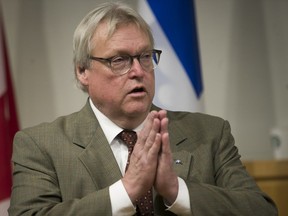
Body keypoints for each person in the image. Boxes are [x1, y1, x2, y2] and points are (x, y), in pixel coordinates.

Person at [9, 2, 277, 216]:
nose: (138, 71)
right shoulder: (40, 145)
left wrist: (177, 191)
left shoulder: (210, 133)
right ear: (82, 71)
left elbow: (262, 210)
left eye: (146, 57)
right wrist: (126, 191)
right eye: (119, 60)